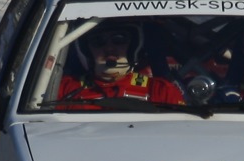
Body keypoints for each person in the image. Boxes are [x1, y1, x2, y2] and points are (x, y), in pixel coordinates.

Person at [57, 23, 185, 105]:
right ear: (85, 50)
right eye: (98, 41)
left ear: (133, 46)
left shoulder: (161, 91)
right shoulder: (63, 89)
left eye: (119, 39)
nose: (109, 48)